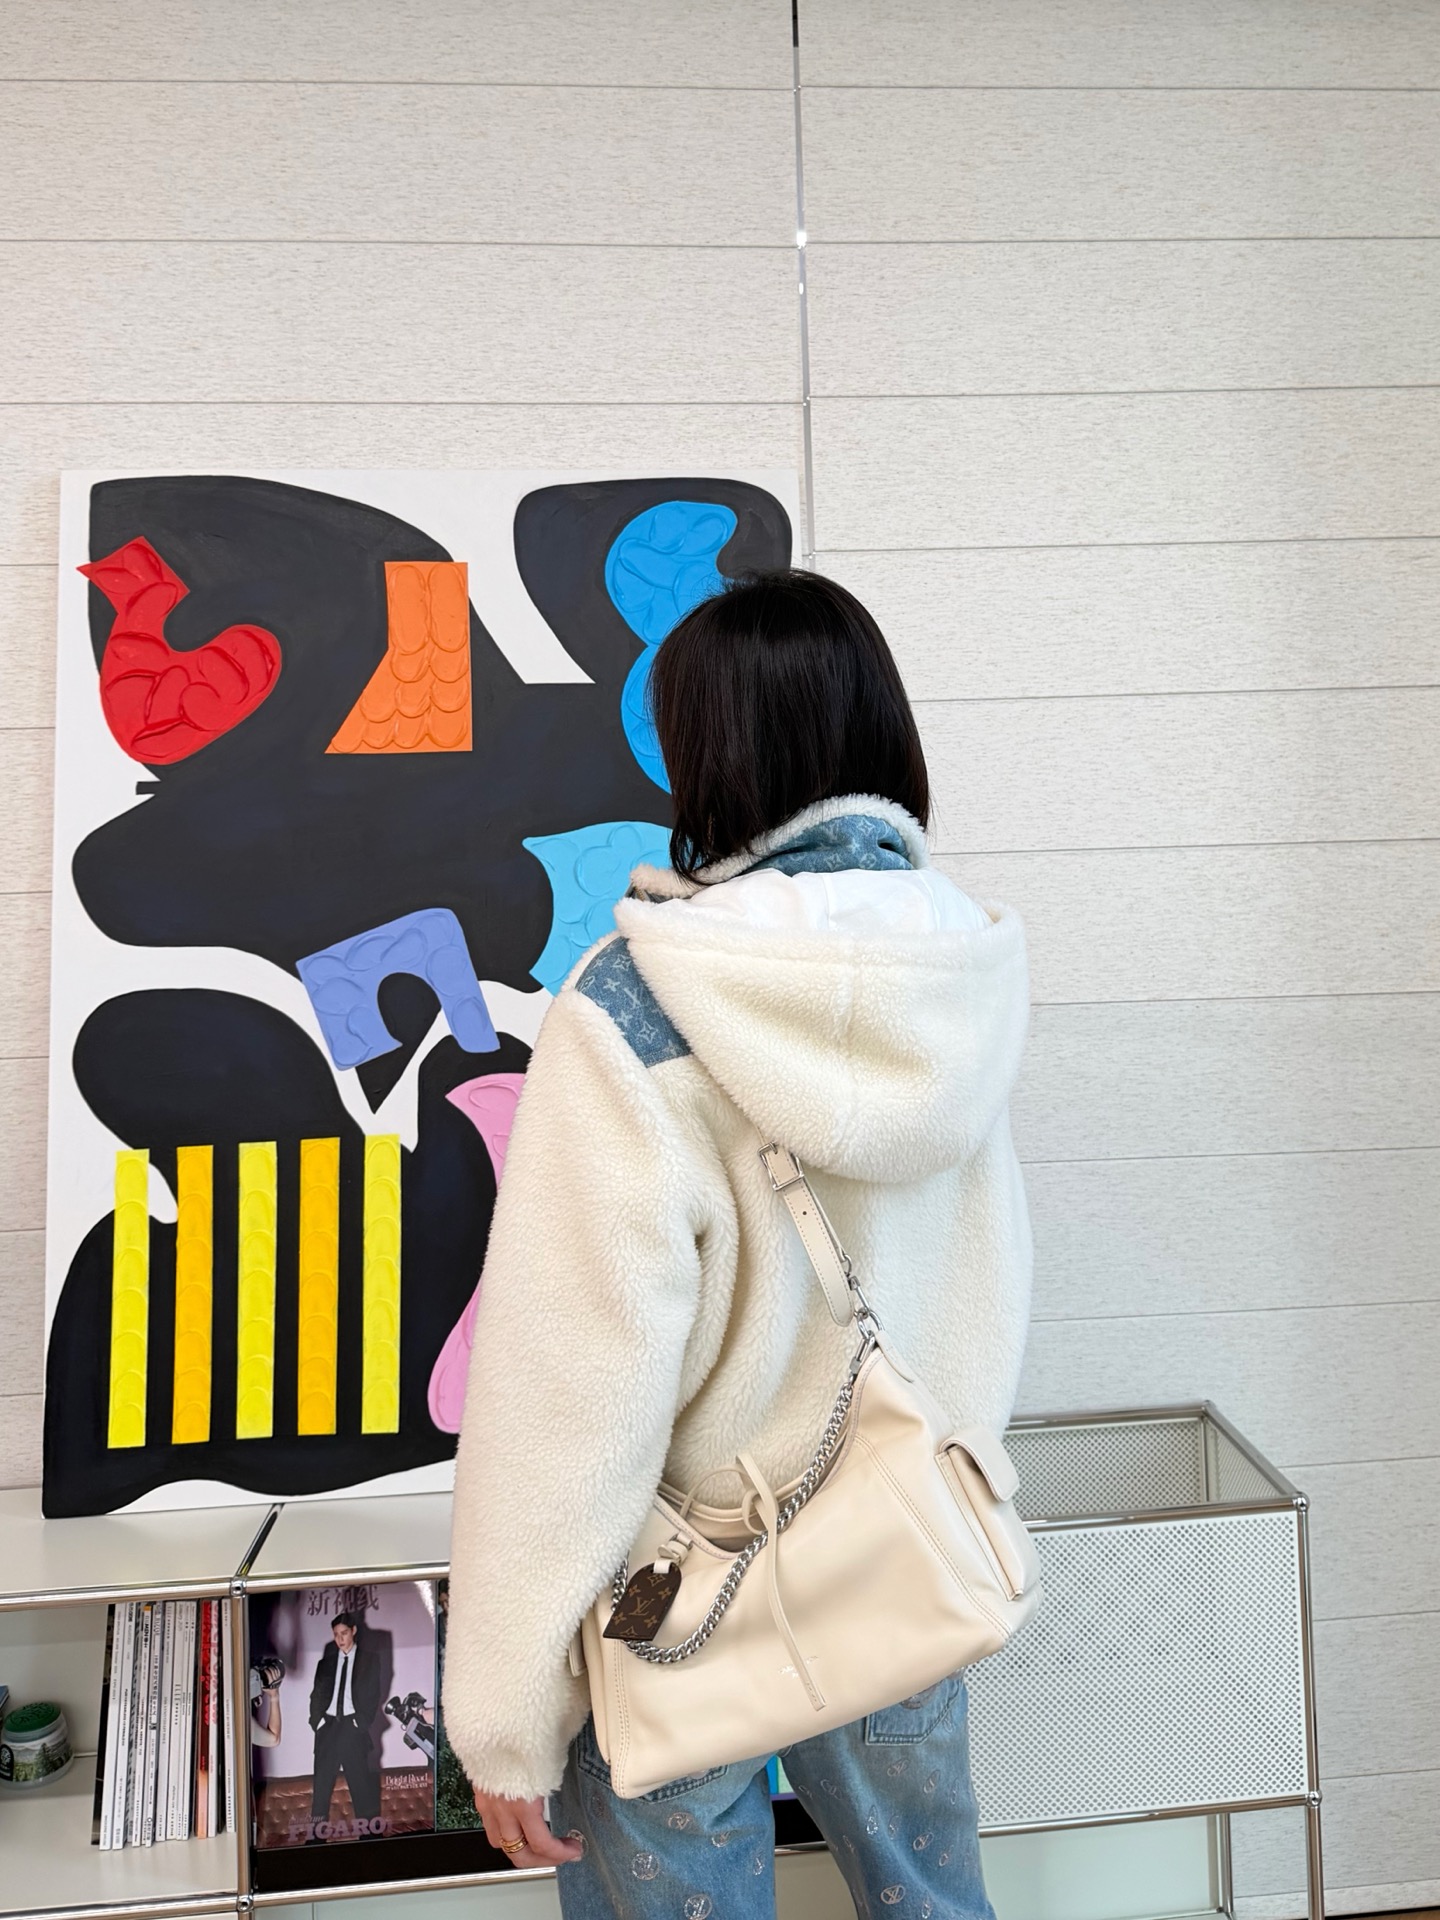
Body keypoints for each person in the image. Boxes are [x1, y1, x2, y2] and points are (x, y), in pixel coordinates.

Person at [444, 570, 1032, 1918]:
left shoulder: (635, 1001)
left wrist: (507, 1713)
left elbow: (568, 1394)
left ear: (705, 751)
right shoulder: (962, 966)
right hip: (903, 1551)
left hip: (685, 1598)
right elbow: (984, 1277)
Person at [309, 1611, 383, 1824]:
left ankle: (368, 1836)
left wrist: (360, 1721)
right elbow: (316, 1695)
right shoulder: (326, 1662)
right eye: (336, 1634)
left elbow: (374, 1694)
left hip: (353, 1727)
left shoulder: (370, 1660)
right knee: (321, 1788)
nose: (340, 1639)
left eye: (344, 1633)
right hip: (328, 1728)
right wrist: (317, 1722)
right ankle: (316, 1837)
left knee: (360, 1786)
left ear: (354, 1631)